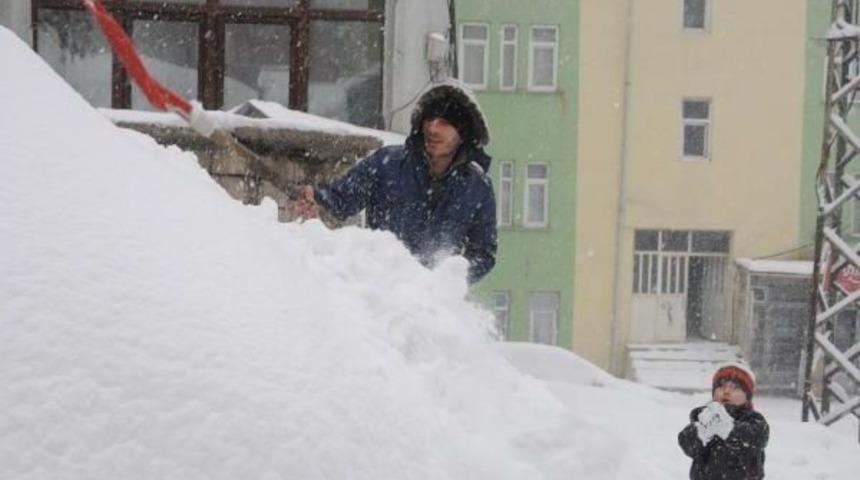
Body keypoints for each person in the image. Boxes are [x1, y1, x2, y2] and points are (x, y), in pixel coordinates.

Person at [292, 79, 497, 284]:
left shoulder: (477, 187)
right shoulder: (386, 164)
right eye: (429, 118)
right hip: (380, 292)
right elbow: (341, 199)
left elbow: (483, 254)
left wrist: (448, 281)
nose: (433, 128)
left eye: (444, 122)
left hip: (432, 304)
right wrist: (316, 201)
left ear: (463, 133)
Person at [678, 362, 770, 480]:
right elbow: (688, 445)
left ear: (747, 396)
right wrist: (700, 433)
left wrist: (729, 429)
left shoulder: (752, 419)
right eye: (721, 386)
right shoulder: (705, 417)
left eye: (735, 388)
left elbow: (758, 437)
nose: (726, 391)